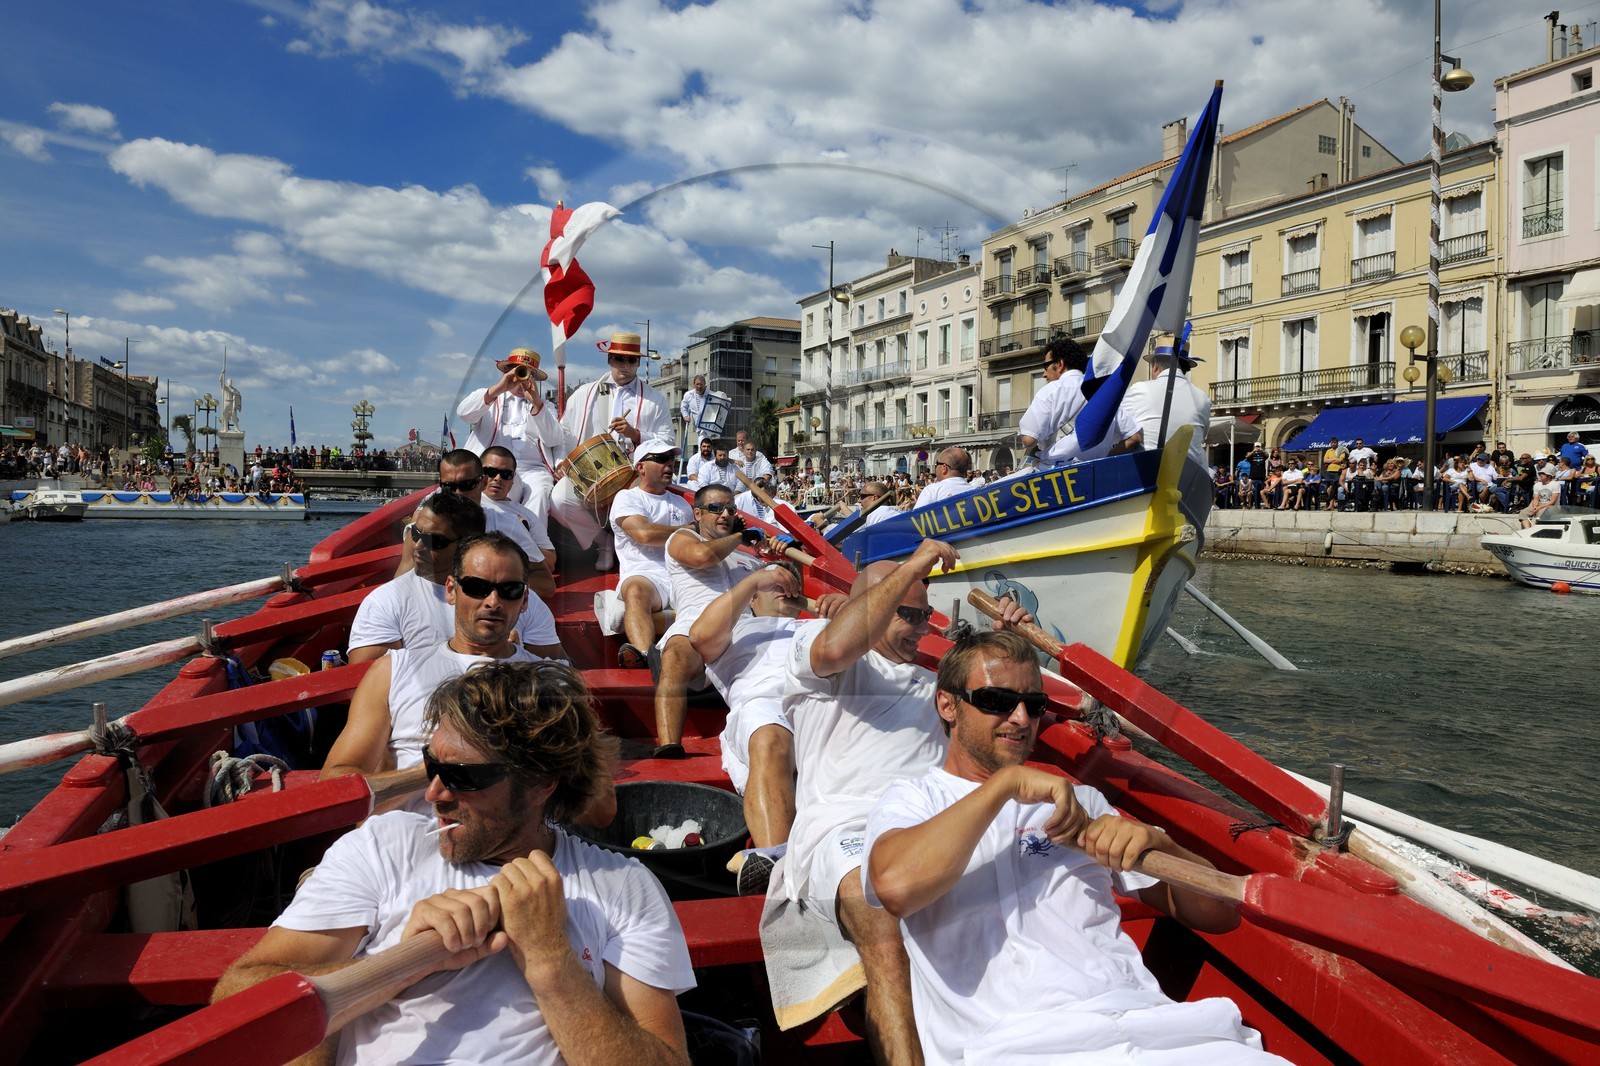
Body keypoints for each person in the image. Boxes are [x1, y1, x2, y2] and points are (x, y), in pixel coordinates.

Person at [215, 660, 695, 1065]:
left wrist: (550, 959)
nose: (433, 794)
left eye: (463, 776)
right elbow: (234, 1002)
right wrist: (396, 966)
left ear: (542, 782)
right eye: (432, 766)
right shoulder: (385, 846)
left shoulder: (623, 886)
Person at [863, 630, 1282, 1066]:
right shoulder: (914, 802)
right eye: (997, 700)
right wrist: (1005, 787)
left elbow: (1219, 914)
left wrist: (1162, 844)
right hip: (1017, 1045)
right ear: (948, 705)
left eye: (1034, 705)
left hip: (1153, 1028)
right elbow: (894, 886)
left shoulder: (1085, 803)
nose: (1022, 719)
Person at [323, 533, 548, 813]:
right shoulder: (393, 669)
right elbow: (334, 786)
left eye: (510, 590)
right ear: (451, 590)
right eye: (477, 587)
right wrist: (438, 768)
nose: (493, 601)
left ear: (524, 599)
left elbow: (600, 808)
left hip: (508, 850)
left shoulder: (550, 683)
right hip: (403, 844)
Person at [690, 561, 814, 891]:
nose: (781, 586)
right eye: (772, 583)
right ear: (753, 600)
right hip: (765, 708)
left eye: (788, 582)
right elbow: (699, 638)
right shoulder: (738, 630)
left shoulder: (818, 627)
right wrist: (755, 580)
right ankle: (779, 862)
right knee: (769, 738)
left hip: (822, 708)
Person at [347, 492, 564, 664]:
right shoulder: (385, 601)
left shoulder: (520, 599)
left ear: (468, 543)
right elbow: (366, 680)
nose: (419, 546)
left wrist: (515, 655)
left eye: (435, 541)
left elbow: (558, 670)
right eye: (415, 534)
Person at [651, 483, 768, 756]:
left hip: (744, 629)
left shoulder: (748, 557)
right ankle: (669, 747)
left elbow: (775, 600)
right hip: (695, 624)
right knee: (675, 655)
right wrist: (740, 536)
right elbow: (703, 557)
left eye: (730, 509)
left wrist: (775, 557)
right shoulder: (682, 538)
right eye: (716, 508)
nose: (724, 514)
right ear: (698, 514)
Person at [551, 332, 672, 568]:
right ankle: (603, 541)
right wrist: (561, 464)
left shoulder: (655, 399)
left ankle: (639, 557)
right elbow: (563, 434)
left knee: (647, 502)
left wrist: (635, 434)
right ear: (609, 360)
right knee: (558, 500)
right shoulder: (583, 394)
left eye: (631, 360)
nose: (625, 365)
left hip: (634, 473)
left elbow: (667, 440)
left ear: (638, 363)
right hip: (589, 472)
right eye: (619, 358)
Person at [457, 349, 564, 531]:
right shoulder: (489, 396)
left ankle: (530, 546)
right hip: (492, 468)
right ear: (507, 371)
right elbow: (464, 413)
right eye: (516, 371)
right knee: (490, 493)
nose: (519, 378)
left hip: (532, 470)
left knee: (540, 492)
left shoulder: (545, 406)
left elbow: (554, 438)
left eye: (525, 372)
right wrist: (498, 389)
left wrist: (537, 403)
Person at [610, 440, 694, 669]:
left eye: (671, 459)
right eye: (660, 459)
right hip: (646, 575)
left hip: (683, 574)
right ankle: (645, 655)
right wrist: (687, 531)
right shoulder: (627, 498)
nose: (669, 464)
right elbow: (644, 534)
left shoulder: (681, 504)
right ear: (641, 467)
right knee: (636, 591)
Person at [1119, 343, 1212, 469]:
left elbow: (1118, 431)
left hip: (1148, 478)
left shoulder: (1139, 389)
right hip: (1192, 481)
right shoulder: (1203, 398)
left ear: (1156, 365)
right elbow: (1201, 437)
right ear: (1186, 368)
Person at [481, 445, 557, 596]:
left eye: (506, 474)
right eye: (490, 472)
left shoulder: (526, 516)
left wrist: (519, 538)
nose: (498, 478)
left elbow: (550, 561)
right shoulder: (467, 503)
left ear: (513, 479)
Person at [1017, 336, 1089, 463]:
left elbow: (1029, 440)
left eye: (1046, 366)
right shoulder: (1103, 391)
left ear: (1060, 364)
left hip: (1057, 475)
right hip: (1099, 471)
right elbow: (1133, 439)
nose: (1044, 374)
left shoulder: (1051, 391)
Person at [680, 375, 711, 445]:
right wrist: (685, 416)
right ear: (694, 384)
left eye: (701, 384)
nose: (699, 386)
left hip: (708, 427)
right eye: (697, 384)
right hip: (697, 427)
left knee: (703, 444)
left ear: (705, 384)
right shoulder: (688, 395)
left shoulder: (711, 394)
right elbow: (683, 406)